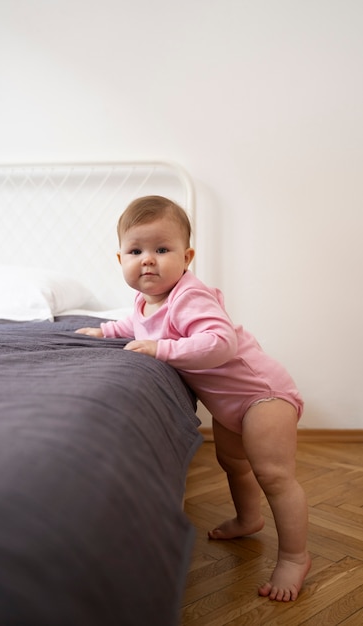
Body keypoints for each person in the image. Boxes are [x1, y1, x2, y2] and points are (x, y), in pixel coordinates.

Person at [76, 195, 311, 602]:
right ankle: (248, 518)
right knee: (233, 465)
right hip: (228, 404)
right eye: (136, 251)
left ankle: (294, 556)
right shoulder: (147, 300)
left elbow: (220, 344)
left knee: (273, 475)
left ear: (187, 257)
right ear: (120, 260)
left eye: (161, 250)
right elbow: (139, 323)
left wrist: (162, 349)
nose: (148, 260)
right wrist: (107, 332)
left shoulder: (190, 296)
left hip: (261, 395)